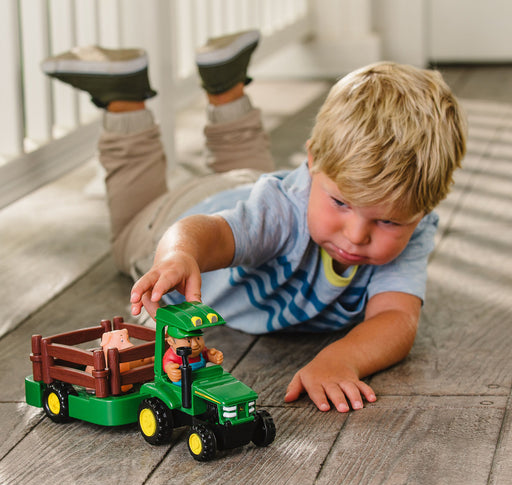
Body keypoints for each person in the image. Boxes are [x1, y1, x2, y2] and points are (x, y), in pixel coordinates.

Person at [42, 29, 467, 413]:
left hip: (247, 187)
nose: (356, 236)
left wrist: (342, 358)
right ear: (313, 162)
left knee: (253, 184)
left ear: (423, 211)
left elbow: (396, 318)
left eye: (389, 223)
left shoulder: (410, 223)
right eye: (341, 202)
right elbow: (208, 232)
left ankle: (226, 90)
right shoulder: (283, 209)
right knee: (129, 235)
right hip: (173, 217)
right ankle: (124, 101)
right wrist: (178, 255)